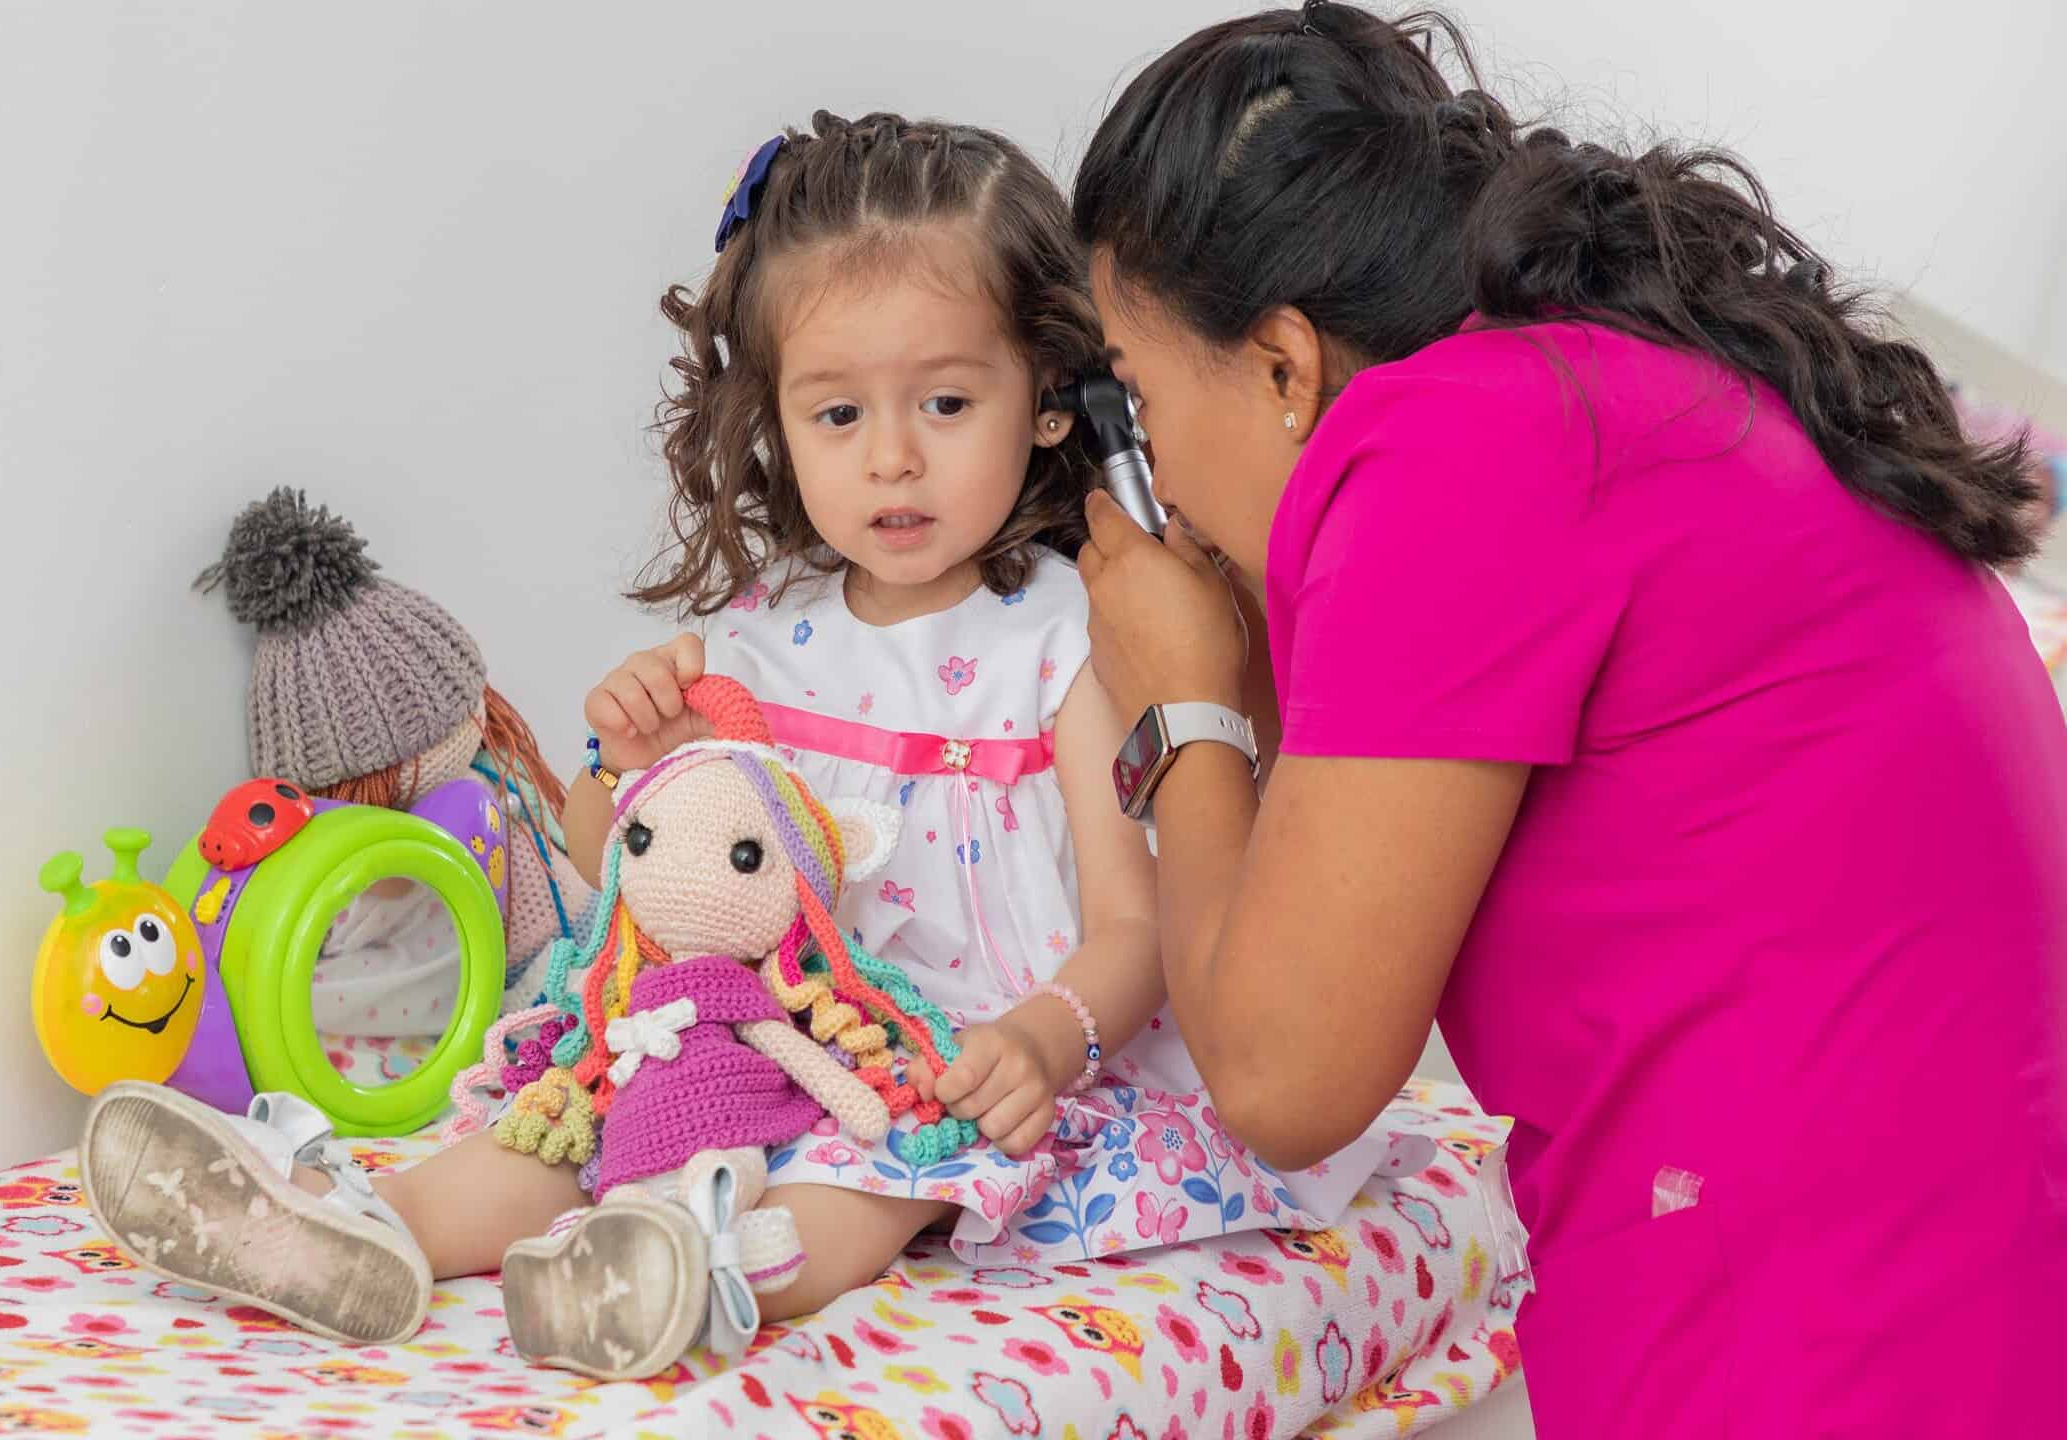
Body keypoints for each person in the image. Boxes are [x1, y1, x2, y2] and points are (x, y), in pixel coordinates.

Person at [73, 108, 1397, 1364]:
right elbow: (623, 867)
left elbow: (1134, 926)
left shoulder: (1069, 641)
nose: (891, 460)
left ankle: (691, 1267)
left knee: (871, 1181)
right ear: (776, 423)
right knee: (580, 1102)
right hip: (736, 1020)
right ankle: (361, 1235)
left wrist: (1047, 1043)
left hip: (935, 1059)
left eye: (944, 404)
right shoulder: (768, 633)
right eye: (839, 415)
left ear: (1046, 397)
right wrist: (623, 761)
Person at [1065, 4, 2067, 1435]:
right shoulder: (1616, 386)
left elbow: (1286, 1075)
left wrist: (1180, 707)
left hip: (1848, 1362)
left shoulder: (1445, 452)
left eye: (1147, 404)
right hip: (2036, 1324)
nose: (1153, 464)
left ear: (1285, 366)